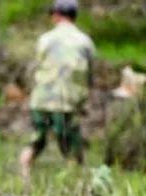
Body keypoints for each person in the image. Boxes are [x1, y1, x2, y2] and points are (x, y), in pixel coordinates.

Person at [19, 0, 96, 182]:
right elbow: (89, 76)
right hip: (66, 102)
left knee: (37, 141)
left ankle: (24, 178)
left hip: (41, 100)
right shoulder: (85, 42)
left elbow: (36, 68)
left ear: (56, 15)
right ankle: (71, 183)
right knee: (72, 150)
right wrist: (83, 101)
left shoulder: (45, 39)